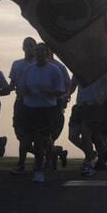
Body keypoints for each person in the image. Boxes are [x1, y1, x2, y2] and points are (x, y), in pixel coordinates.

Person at [16, 43, 66, 183]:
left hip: (46, 109)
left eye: (41, 50)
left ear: (47, 53)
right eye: (36, 50)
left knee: (39, 141)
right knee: (26, 139)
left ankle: (38, 170)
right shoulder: (29, 69)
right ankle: (22, 164)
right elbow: (21, 88)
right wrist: (23, 91)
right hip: (28, 107)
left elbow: (61, 91)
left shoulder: (54, 70)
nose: (38, 52)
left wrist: (47, 91)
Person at [69, 69, 107, 176]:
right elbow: (73, 84)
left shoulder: (102, 68)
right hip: (79, 105)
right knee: (72, 136)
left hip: (94, 107)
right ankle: (91, 154)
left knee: (86, 135)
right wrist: (68, 94)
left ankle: (88, 163)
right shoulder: (78, 67)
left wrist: (104, 97)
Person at [8, 37, 36, 175]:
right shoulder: (16, 64)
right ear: (23, 47)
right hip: (20, 102)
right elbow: (12, 83)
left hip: (35, 104)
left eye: (32, 45)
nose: (29, 48)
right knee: (20, 133)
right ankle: (51, 152)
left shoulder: (39, 65)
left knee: (31, 135)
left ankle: (22, 163)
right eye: (27, 45)